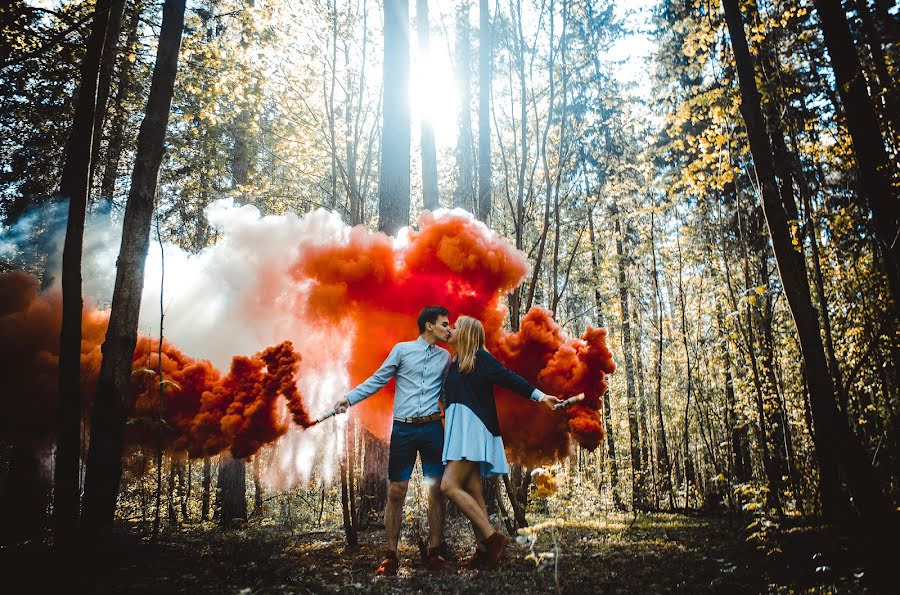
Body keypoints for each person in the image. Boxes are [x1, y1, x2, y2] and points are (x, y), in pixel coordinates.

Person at [331, 306, 452, 576]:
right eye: (445, 324)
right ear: (429, 326)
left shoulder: (446, 358)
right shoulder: (402, 350)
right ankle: (391, 556)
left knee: (436, 490)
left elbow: (446, 395)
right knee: (396, 491)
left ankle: (434, 553)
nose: (449, 329)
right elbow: (377, 379)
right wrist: (348, 399)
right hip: (404, 430)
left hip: (433, 428)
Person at [440, 315, 561, 570]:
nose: (451, 328)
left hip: (473, 429)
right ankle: (484, 552)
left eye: (456, 326)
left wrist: (540, 397)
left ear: (467, 334)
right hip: (458, 430)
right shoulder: (453, 362)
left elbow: (509, 378)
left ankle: (492, 539)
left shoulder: (480, 359)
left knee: (449, 486)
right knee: (472, 487)